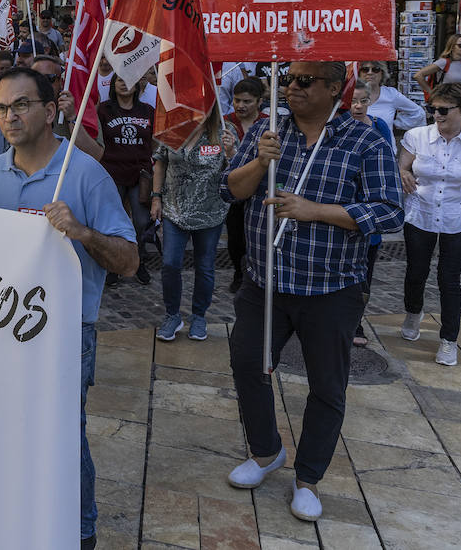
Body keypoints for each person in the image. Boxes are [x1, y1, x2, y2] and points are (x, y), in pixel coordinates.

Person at [0, 67, 137, 550]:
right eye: (0, 108)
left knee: (62, 437)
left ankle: (80, 532)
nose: (9, 116)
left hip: (64, 335)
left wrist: (83, 233)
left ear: (51, 109)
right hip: (0, 328)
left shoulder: (84, 173)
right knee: (2, 427)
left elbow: (129, 260)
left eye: (21, 105)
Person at [221, 61, 403, 523]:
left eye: (303, 81)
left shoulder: (364, 140)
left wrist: (315, 210)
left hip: (331, 288)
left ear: (334, 88)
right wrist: (261, 161)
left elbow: (388, 213)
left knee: (326, 386)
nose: (291, 88)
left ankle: (309, 478)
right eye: (286, 79)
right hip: (265, 283)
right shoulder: (267, 129)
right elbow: (231, 191)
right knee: (248, 365)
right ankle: (266, 453)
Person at [398, 82, 461, 365]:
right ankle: (413, 313)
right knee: (417, 271)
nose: (436, 115)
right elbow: (403, 167)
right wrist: (403, 174)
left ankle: (448, 340)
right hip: (420, 213)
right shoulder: (417, 136)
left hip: (459, 216)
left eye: (443, 110)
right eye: (433, 109)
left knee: (449, 277)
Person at [152, 116, 230, 341]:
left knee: (205, 266)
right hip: (175, 209)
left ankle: (199, 316)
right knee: (169, 264)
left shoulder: (223, 130)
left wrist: (232, 151)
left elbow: (236, 167)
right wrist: (156, 198)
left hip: (210, 212)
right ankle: (172, 315)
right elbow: (160, 162)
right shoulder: (174, 127)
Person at [98, 74, 155, 284]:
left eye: (128, 79)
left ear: (138, 85)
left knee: (141, 221)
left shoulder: (147, 111)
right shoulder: (104, 109)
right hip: (112, 172)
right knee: (114, 222)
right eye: (119, 80)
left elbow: (154, 142)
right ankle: (114, 264)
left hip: (140, 174)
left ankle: (137, 260)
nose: (124, 83)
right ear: (113, 85)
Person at [348, 82, 393, 347]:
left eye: (364, 101)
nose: (358, 106)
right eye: (353, 100)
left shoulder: (379, 126)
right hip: (341, 210)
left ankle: (356, 322)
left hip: (369, 214)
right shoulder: (337, 126)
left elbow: (386, 165)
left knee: (365, 273)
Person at [224, 77, 267, 292]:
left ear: (259, 101)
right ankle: (239, 273)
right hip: (235, 188)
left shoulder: (269, 122)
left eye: (247, 101)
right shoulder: (225, 122)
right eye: (237, 100)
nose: (241, 106)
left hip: (261, 188)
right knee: (236, 236)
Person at [360, 61, 424, 134]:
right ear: (359, 73)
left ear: (382, 73)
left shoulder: (391, 94)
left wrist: (395, 124)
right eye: (365, 69)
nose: (370, 72)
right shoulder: (352, 94)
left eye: (376, 69)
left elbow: (418, 113)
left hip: (386, 144)